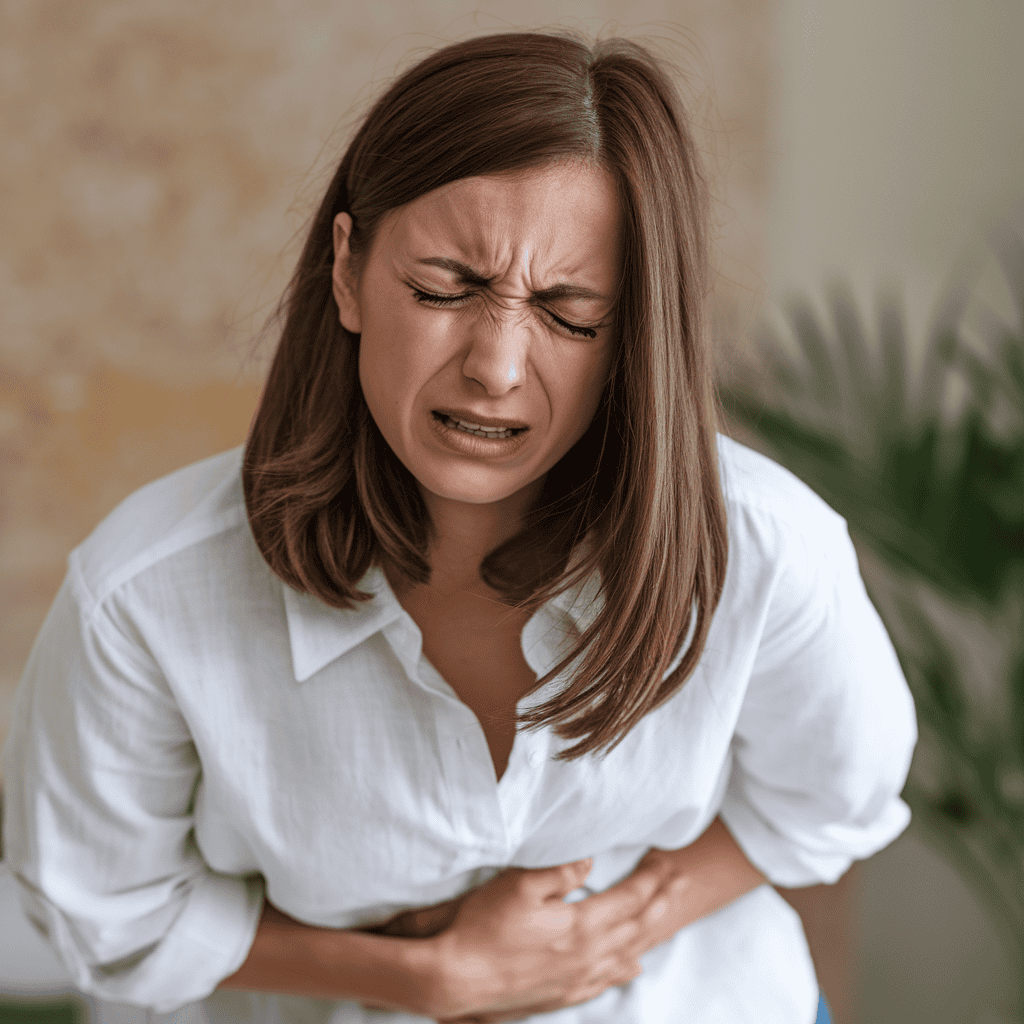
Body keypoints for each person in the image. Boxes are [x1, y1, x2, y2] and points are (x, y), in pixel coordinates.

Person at [2, 30, 915, 1024]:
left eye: (570, 316)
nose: (496, 365)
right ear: (348, 270)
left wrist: (603, 935)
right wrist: (434, 978)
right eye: (446, 288)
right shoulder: (144, 594)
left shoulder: (766, 549)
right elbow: (107, 916)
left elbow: (834, 798)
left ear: (634, 337)